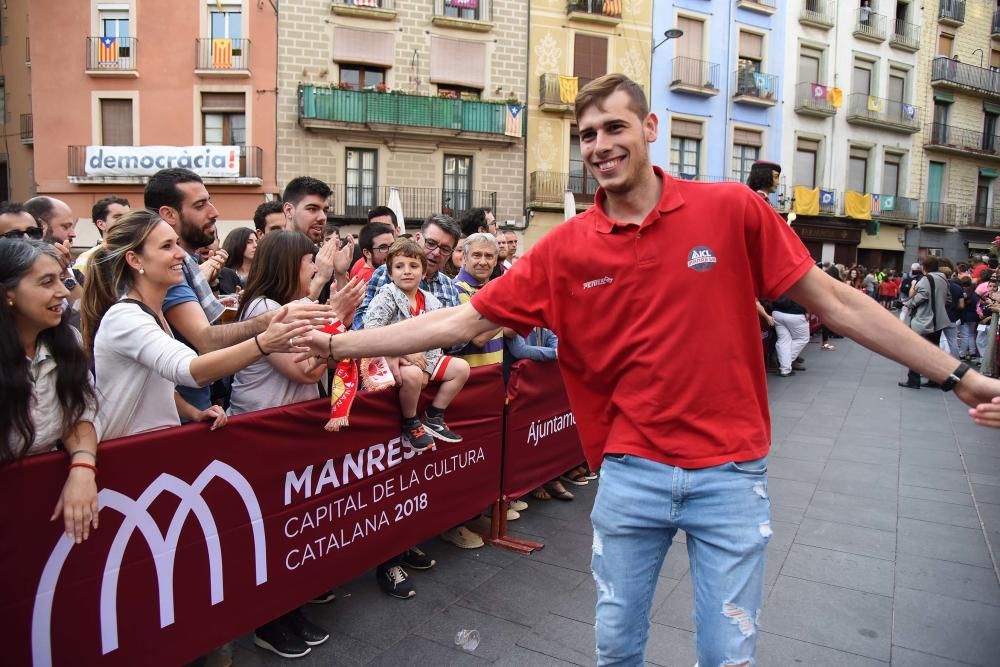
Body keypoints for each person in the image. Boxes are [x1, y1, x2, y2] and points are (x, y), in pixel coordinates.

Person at [297, 73, 1000, 666]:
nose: (600, 145)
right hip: (629, 476)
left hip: (729, 474)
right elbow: (462, 320)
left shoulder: (731, 210)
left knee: (729, 655)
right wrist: (339, 345)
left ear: (651, 126)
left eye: (612, 127)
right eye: (587, 135)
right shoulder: (565, 249)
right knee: (617, 651)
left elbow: (839, 303)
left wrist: (959, 375)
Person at [80, 209, 312, 440]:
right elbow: (189, 370)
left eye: (177, 243)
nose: (181, 254)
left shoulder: (153, 312)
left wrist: (194, 412)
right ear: (134, 259)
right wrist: (263, 343)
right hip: (124, 453)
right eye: (166, 246)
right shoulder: (126, 318)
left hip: (150, 448)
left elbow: (159, 386)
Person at [144, 168, 334, 416]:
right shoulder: (163, 272)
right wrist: (268, 326)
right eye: (201, 205)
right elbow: (206, 340)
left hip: (196, 405)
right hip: (171, 415)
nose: (214, 212)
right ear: (168, 214)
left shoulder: (186, 263)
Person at [362, 238, 470, 597]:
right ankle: (411, 422)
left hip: (428, 361)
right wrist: (406, 355)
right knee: (389, 489)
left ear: (424, 271)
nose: (406, 272)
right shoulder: (385, 297)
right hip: (396, 368)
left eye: (413, 266)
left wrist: (428, 358)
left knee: (461, 369)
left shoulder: (434, 300)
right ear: (389, 272)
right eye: (399, 267)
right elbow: (371, 333)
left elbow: (441, 337)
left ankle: (435, 415)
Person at [0, 239, 100, 544]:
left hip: (44, 508)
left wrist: (83, 468)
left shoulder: (65, 341)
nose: (63, 291)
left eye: (61, 278)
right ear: (8, 294)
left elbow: (79, 412)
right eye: (47, 282)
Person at [353, 214, 463, 331]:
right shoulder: (384, 273)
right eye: (430, 243)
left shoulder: (449, 286)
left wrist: (440, 337)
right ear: (418, 238)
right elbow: (360, 323)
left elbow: (459, 333)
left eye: (445, 249)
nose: (436, 252)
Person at [452, 233, 504, 367]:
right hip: (470, 377)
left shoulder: (495, 290)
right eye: (476, 255)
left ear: (495, 260)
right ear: (464, 257)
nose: (483, 262)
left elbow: (509, 330)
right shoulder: (457, 289)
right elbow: (478, 339)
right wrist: (510, 310)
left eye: (489, 256)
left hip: (495, 373)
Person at [899, 257, 951, 388]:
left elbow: (922, 295)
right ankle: (934, 379)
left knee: (917, 350)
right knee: (934, 350)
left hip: (924, 319)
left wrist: (908, 303)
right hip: (939, 320)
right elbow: (947, 297)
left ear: (924, 267)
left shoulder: (926, 279)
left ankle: (913, 380)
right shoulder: (943, 279)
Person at [74, 196, 130, 276]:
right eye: (118, 217)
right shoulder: (87, 258)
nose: (126, 220)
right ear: (101, 224)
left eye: (128, 216)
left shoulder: (140, 251)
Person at [771, 295, 810, 377]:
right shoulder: (799, 283)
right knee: (802, 338)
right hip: (795, 314)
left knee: (783, 340)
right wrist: (807, 310)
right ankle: (784, 362)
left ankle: (784, 368)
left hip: (776, 313)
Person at [218, 227, 258, 295]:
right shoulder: (224, 273)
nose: (255, 245)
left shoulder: (262, 272)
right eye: (249, 242)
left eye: (257, 241)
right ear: (236, 244)